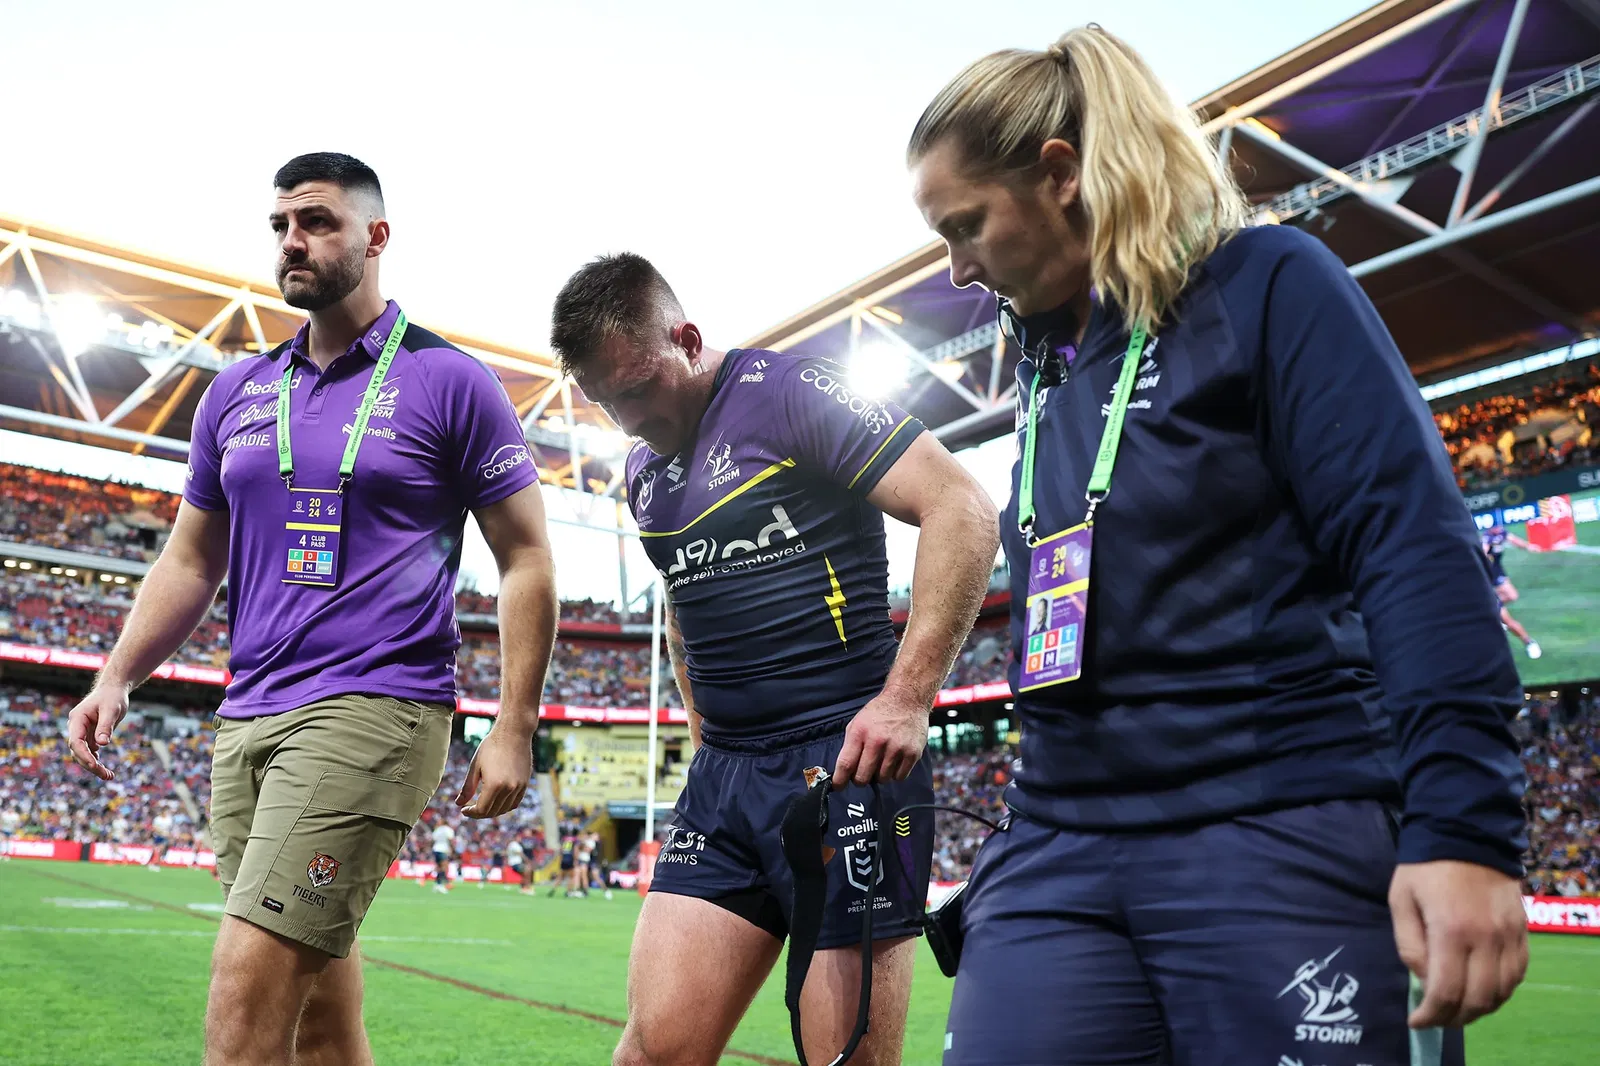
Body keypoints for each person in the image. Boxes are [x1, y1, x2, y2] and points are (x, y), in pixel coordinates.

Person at [906, 28, 1529, 1065]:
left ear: (1059, 175)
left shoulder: (1267, 284)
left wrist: (1462, 827)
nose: (956, 268)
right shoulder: (1049, 361)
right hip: (1060, 838)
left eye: (963, 225)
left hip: (1272, 813)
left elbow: (1410, 544)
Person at [64, 152, 559, 1066]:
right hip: (247, 716)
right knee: (324, 1031)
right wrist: (115, 676)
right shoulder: (236, 392)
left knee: (243, 1006)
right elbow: (191, 555)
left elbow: (525, 556)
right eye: (281, 225)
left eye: (318, 221)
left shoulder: (451, 380)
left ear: (375, 236)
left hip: (374, 706)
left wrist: (515, 722)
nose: (294, 240)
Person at [550, 253, 999, 1066]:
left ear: (687, 339)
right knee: (650, 1054)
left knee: (845, 1063)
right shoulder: (643, 472)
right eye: (605, 401)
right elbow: (685, 609)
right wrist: (699, 726)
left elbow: (960, 507)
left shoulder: (791, 394)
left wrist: (907, 697)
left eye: (640, 387)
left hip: (843, 767)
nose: (629, 419)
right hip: (723, 782)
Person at [1482, 525, 1542, 658]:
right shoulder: (1486, 539)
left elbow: (1513, 540)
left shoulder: (1501, 534)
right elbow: (1482, 554)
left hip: (1493, 576)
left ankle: (1529, 642)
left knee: (1508, 616)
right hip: (1483, 584)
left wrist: (1528, 546)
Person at [432, 820, 456, 895]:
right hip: (443, 850)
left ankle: (437, 884)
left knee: (439, 867)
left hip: (435, 849)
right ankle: (440, 885)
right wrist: (452, 849)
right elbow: (451, 839)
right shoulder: (448, 830)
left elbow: (433, 839)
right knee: (444, 867)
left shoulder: (438, 829)